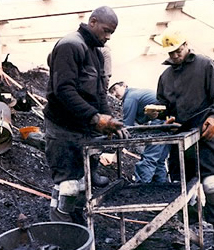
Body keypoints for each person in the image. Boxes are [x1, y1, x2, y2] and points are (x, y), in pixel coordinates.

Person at [44, 6, 129, 224]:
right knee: (67, 187)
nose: (108, 37)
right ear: (92, 22)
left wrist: (111, 121)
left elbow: (100, 94)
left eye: (112, 33)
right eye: (106, 30)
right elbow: (63, 90)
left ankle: (77, 223)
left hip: (84, 130)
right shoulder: (70, 45)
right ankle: (60, 234)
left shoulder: (96, 53)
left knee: (83, 183)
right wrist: (94, 117)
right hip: (63, 129)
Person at [153, 28, 214, 249]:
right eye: (170, 53)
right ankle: (188, 230)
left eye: (178, 50)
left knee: (211, 184)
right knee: (183, 189)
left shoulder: (206, 65)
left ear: (186, 45)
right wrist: (163, 116)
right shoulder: (166, 76)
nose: (174, 56)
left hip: (205, 135)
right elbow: (164, 106)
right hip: (180, 140)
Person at [108, 81, 169, 183]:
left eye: (115, 89)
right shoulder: (137, 94)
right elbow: (141, 120)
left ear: (124, 85)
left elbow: (128, 126)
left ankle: (141, 186)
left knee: (149, 157)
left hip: (159, 121)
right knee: (159, 160)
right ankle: (162, 186)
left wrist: (115, 149)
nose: (114, 94)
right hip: (167, 121)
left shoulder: (130, 97)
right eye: (111, 92)